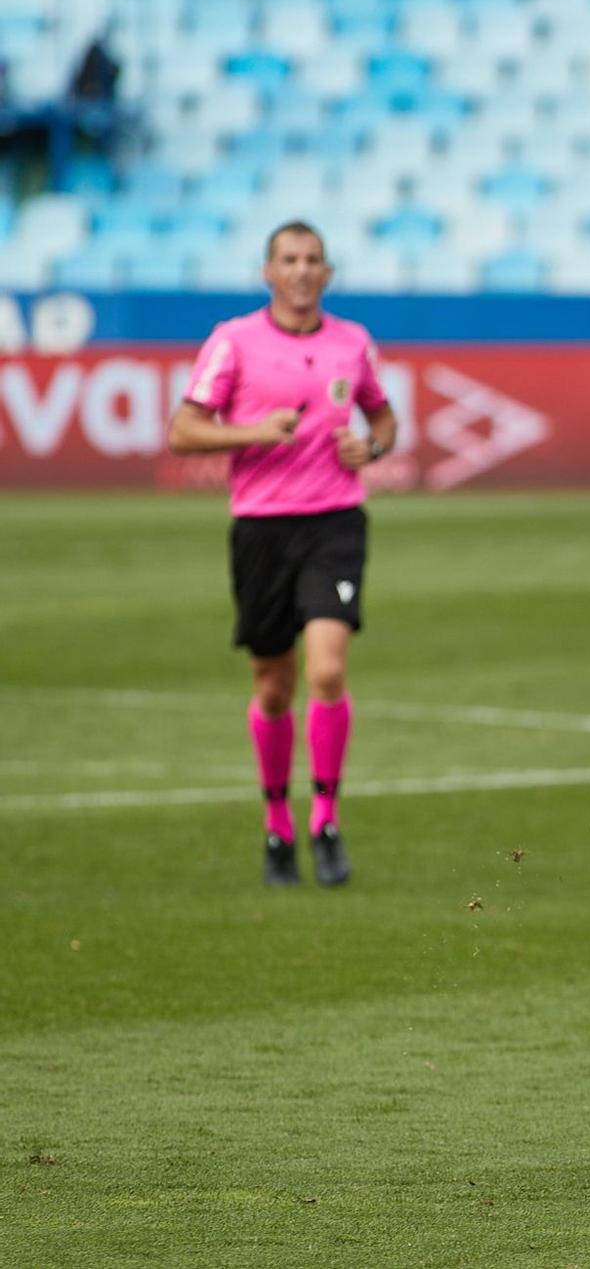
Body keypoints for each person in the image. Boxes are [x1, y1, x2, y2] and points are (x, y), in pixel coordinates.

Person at [166, 222, 397, 887]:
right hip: (262, 527)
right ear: (268, 271)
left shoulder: (352, 342)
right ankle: (277, 824)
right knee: (273, 683)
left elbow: (382, 416)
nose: (301, 270)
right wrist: (251, 431)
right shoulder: (234, 340)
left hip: (335, 521)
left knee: (327, 670)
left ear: (328, 272)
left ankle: (326, 817)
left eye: (313, 260)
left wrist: (372, 448)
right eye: (289, 259)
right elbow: (182, 428)